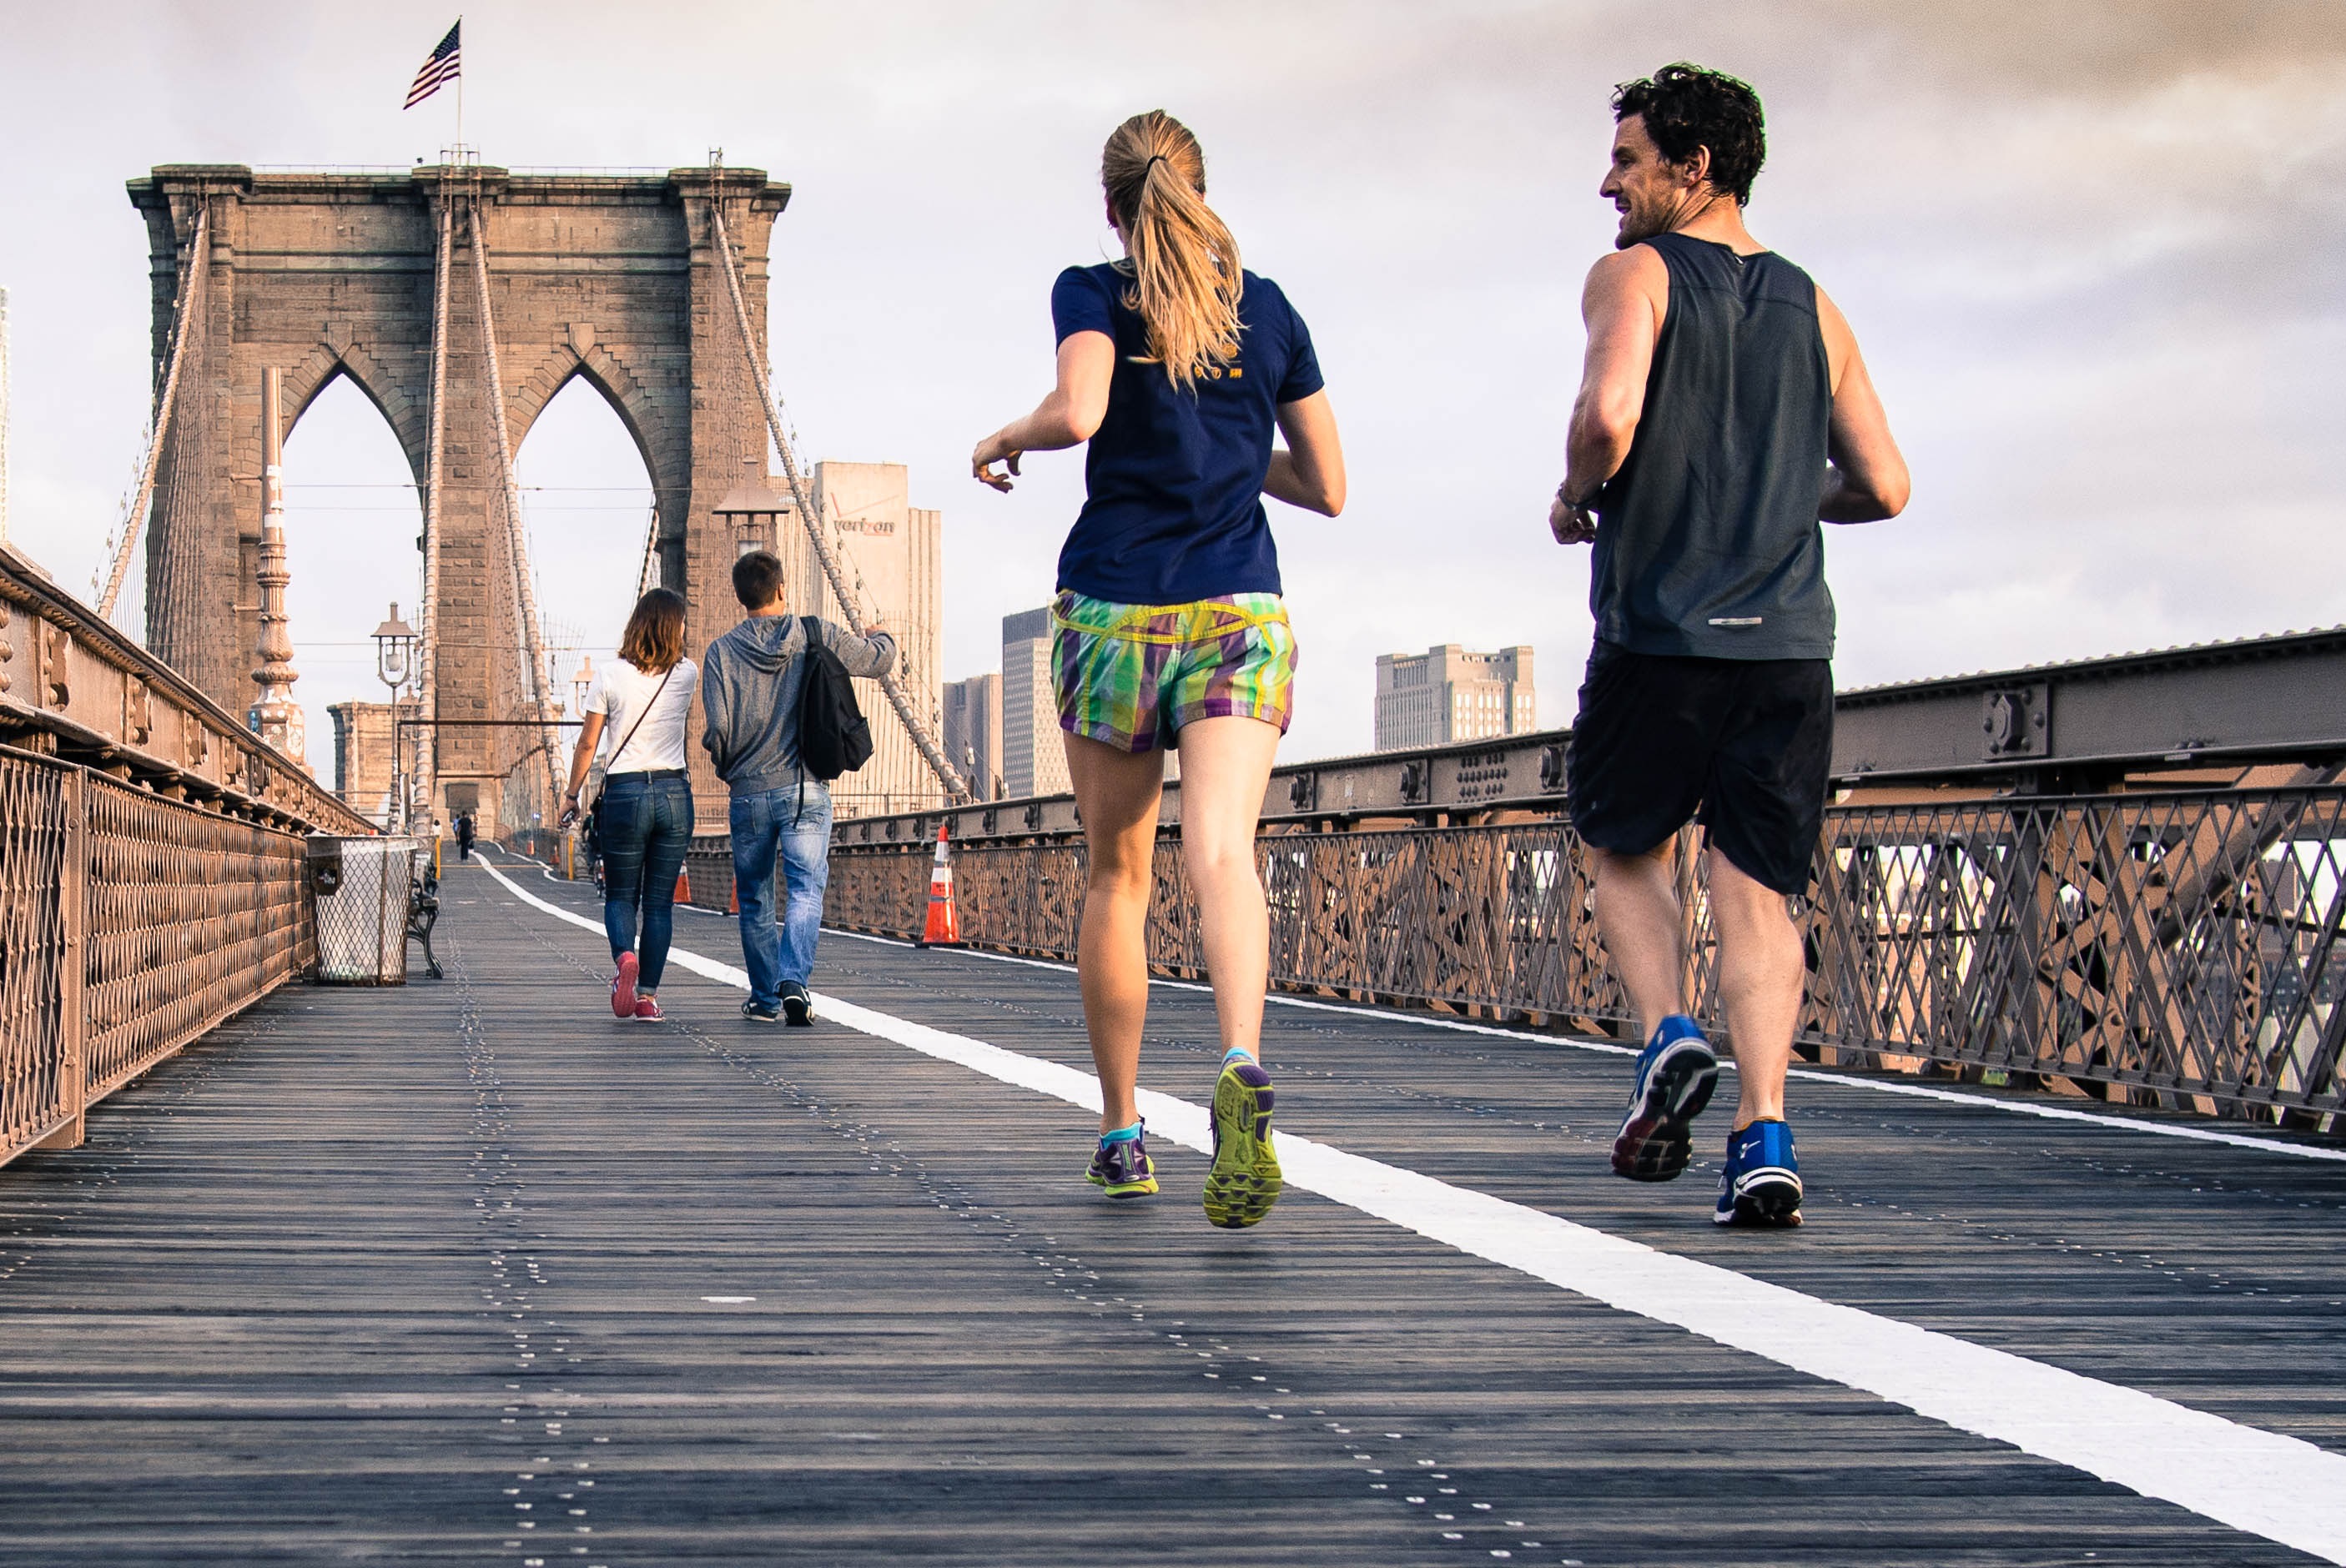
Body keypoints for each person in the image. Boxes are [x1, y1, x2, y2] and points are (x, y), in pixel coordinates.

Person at [970, 110, 1346, 1229]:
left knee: (1118, 877)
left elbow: (1081, 411)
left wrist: (1003, 436)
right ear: (1197, 187)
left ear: (1112, 206)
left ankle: (1125, 1133)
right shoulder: (1266, 309)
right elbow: (1328, 485)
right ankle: (1238, 1060)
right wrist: (1235, 455)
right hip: (1239, 607)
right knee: (1224, 854)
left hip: (1117, 611)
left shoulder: (1092, 288)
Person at [1550, 64, 1909, 1227]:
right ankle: (1763, 1136)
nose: (1608, 182)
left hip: (1661, 630)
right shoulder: (1816, 303)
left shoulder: (1635, 274)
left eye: (1627, 160)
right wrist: (1779, 501)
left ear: (1690, 168)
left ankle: (1666, 1038)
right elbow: (1886, 486)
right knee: (1759, 897)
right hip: (1790, 648)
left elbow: (1608, 418)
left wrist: (1577, 494)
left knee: (1622, 845)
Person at [700, 549, 897, 1027]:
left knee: (754, 897)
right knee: (806, 889)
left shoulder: (720, 653)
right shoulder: (815, 633)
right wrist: (882, 636)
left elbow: (717, 730)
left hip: (748, 793)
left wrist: (734, 769)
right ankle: (794, 982)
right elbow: (878, 661)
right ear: (782, 589)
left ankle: (766, 999)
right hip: (805, 790)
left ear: (740, 597)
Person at [558, 588, 700, 1023]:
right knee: (659, 904)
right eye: (681, 623)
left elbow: (588, 742)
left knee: (621, 895)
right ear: (672, 627)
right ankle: (648, 999)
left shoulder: (609, 675)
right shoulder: (688, 673)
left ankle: (624, 959)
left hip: (625, 794)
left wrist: (571, 794)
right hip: (675, 794)